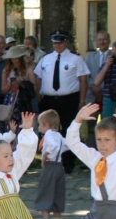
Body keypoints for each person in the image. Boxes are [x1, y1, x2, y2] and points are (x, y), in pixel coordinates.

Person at [33, 31, 89, 173]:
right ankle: (50, 160)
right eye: (55, 42)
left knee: (69, 130)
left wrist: (82, 100)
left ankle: (68, 162)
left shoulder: (75, 58)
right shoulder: (46, 59)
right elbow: (39, 78)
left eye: (61, 42)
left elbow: (83, 79)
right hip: (49, 99)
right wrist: (39, 97)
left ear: (66, 42)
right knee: (49, 130)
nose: (58, 45)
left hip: (69, 99)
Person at [35, 110, 67, 219]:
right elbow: (65, 145)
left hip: (49, 166)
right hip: (59, 166)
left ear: (46, 124)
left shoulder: (48, 134)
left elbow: (53, 146)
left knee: (45, 191)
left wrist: (45, 155)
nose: (39, 127)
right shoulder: (58, 135)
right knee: (58, 192)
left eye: (40, 124)